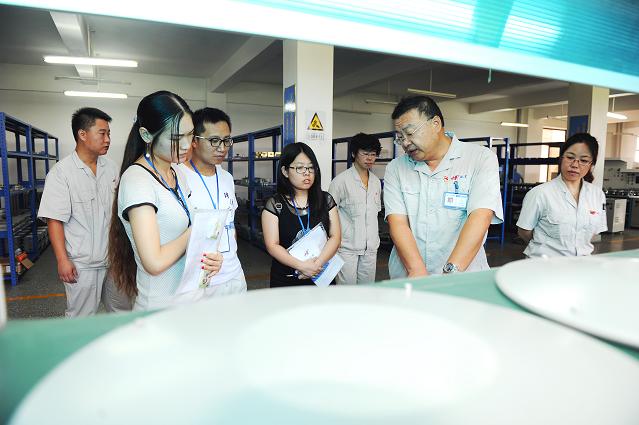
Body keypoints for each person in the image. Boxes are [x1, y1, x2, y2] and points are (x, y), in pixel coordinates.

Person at [108, 91, 222, 311]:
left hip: (188, 302)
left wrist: (210, 258)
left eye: (190, 134)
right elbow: (154, 262)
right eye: (177, 138)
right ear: (146, 135)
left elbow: (182, 235)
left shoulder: (177, 173)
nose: (187, 145)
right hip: (159, 309)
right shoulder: (137, 180)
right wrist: (197, 230)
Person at [384, 95, 503, 277]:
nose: (405, 143)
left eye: (410, 133)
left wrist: (450, 273)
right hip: (410, 276)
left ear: (436, 124)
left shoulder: (479, 158)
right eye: (400, 137)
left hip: (462, 276)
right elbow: (398, 223)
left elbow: (480, 216)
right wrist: (417, 272)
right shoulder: (396, 168)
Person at [38, 107, 131, 317]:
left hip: (114, 259)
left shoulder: (111, 168)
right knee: (81, 318)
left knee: (122, 312)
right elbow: (54, 220)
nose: (108, 140)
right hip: (83, 264)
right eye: (102, 133)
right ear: (82, 134)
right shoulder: (61, 174)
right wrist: (62, 260)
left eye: (109, 134)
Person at [177, 108, 246, 297]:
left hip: (234, 276)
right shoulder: (178, 177)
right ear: (194, 140)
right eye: (214, 141)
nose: (222, 148)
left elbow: (231, 225)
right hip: (198, 282)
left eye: (227, 140)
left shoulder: (227, 178)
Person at [261, 143, 341, 287]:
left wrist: (315, 266)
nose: (307, 173)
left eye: (311, 167)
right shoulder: (275, 205)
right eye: (299, 168)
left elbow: (335, 237)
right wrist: (302, 266)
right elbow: (272, 245)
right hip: (286, 279)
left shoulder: (326, 200)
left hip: (321, 275)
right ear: (285, 171)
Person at [517, 133, 607, 257]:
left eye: (584, 161)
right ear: (561, 158)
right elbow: (524, 232)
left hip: (582, 264)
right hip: (545, 264)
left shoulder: (597, 195)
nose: (575, 165)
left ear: (591, 164)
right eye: (570, 157)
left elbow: (592, 233)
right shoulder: (540, 193)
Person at [329, 133, 382, 285]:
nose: (369, 158)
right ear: (354, 154)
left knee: (367, 289)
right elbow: (329, 215)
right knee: (347, 291)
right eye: (365, 154)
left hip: (370, 248)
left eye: (373, 154)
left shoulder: (376, 182)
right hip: (346, 248)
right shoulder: (340, 182)